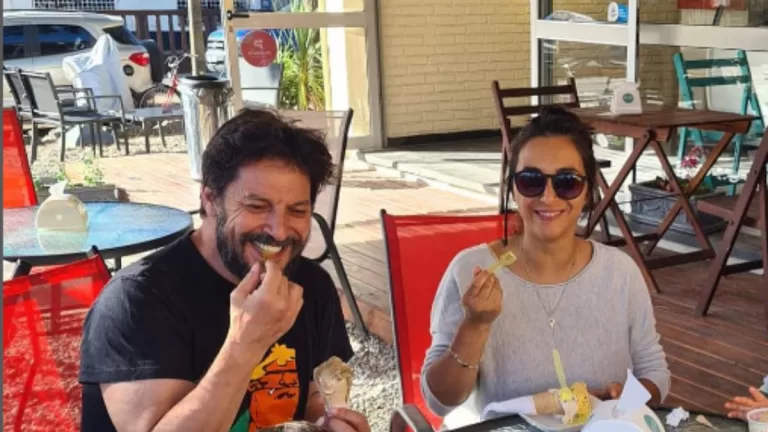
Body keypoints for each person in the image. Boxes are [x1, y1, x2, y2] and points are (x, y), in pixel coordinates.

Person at [79, 108, 371, 432]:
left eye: (297, 211)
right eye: (256, 206)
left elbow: (314, 398)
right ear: (210, 200)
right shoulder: (136, 302)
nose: (278, 231)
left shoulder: (311, 286)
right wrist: (246, 343)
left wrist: (327, 424)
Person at [420, 107, 671, 420]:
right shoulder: (469, 271)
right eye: (531, 181)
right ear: (513, 189)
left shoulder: (620, 273)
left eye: (567, 182)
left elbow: (654, 371)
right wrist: (475, 325)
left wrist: (625, 401)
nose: (549, 197)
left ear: (587, 191)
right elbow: (440, 401)